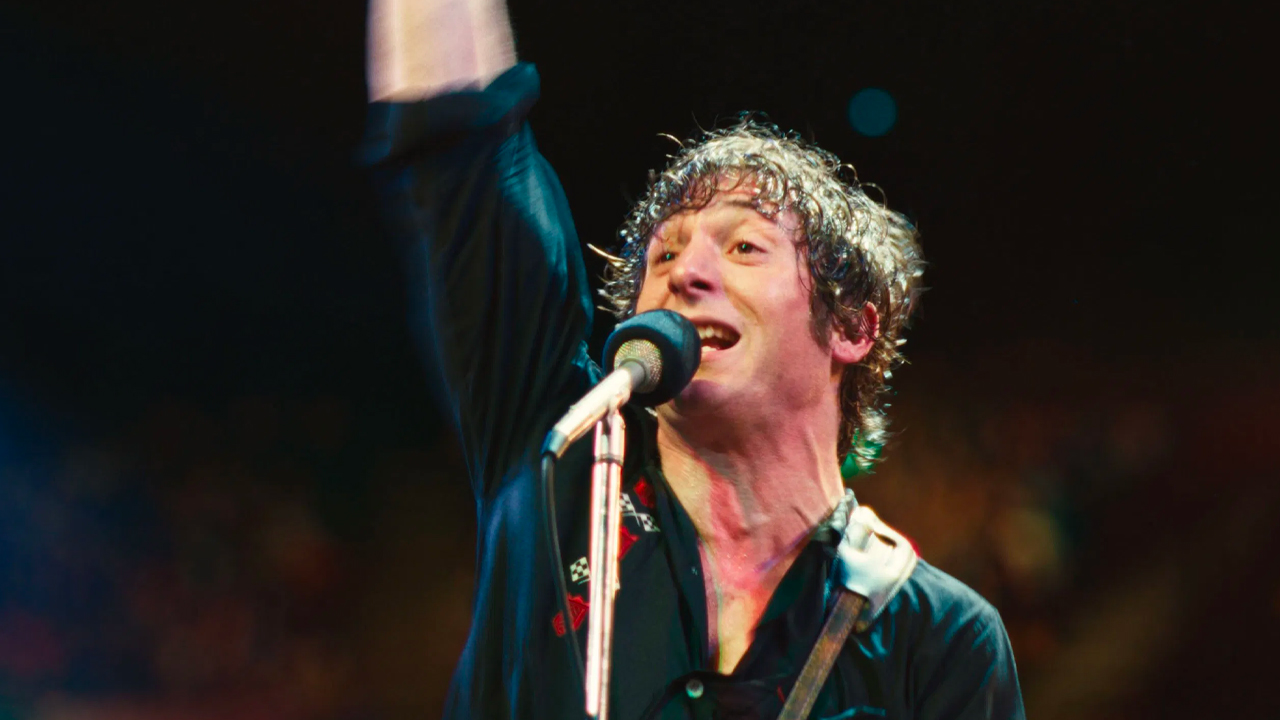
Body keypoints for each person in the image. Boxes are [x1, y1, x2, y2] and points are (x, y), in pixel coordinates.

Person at [363, 0, 1026, 717]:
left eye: (744, 246)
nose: (685, 273)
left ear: (851, 327)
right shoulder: (561, 463)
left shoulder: (943, 642)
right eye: (665, 254)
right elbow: (460, 154)